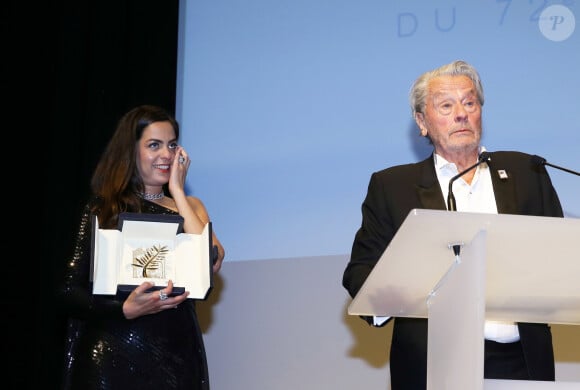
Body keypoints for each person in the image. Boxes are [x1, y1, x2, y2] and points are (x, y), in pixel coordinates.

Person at [342, 60, 563, 389]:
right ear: (422, 122)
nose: (461, 113)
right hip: (432, 362)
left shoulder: (525, 171)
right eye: (446, 105)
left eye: (470, 103)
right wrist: (392, 292)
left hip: (521, 361)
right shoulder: (393, 186)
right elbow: (360, 273)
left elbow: (561, 253)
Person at [59, 104, 225, 389]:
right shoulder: (104, 209)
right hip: (112, 353)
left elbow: (211, 260)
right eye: (154, 145)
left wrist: (177, 194)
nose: (166, 154)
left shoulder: (191, 207)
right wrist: (123, 309)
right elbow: (68, 291)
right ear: (131, 151)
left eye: (172, 145)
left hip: (176, 355)